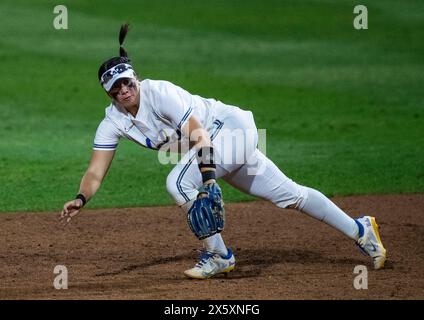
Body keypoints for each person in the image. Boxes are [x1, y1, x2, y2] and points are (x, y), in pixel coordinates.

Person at [60, 24, 387, 279]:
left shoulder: (160, 93)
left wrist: (208, 180)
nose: (124, 90)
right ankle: (361, 230)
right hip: (221, 146)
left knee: (178, 183)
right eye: (116, 89)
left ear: (136, 78)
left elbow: (198, 134)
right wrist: (81, 198)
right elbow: (95, 171)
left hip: (230, 130)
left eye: (127, 82)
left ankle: (219, 256)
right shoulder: (113, 122)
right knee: (290, 195)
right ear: (109, 95)